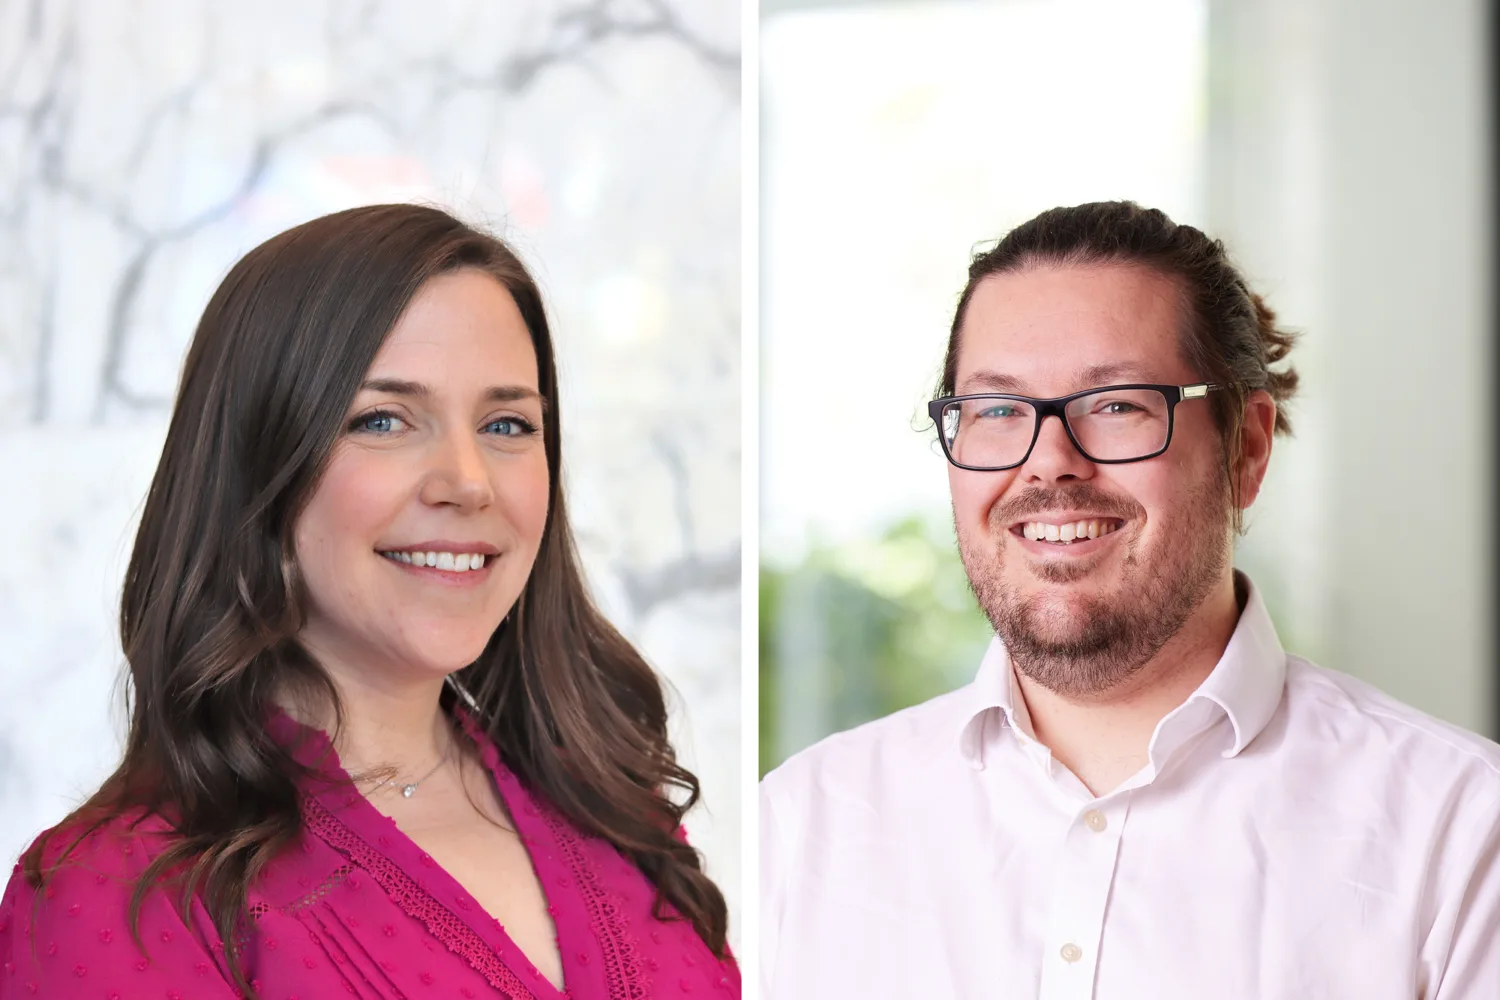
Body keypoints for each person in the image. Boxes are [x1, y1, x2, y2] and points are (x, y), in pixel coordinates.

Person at [759, 201, 1500, 998]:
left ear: (1244, 449)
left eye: (1116, 406)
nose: (1050, 465)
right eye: (999, 411)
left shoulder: (1460, 830)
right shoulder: (801, 825)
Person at [0, 204, 739, 999]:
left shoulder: (617, 816)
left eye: (507, 423)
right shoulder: (115, 894)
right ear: (257, 464)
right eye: (383, 419)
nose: (467, 481)